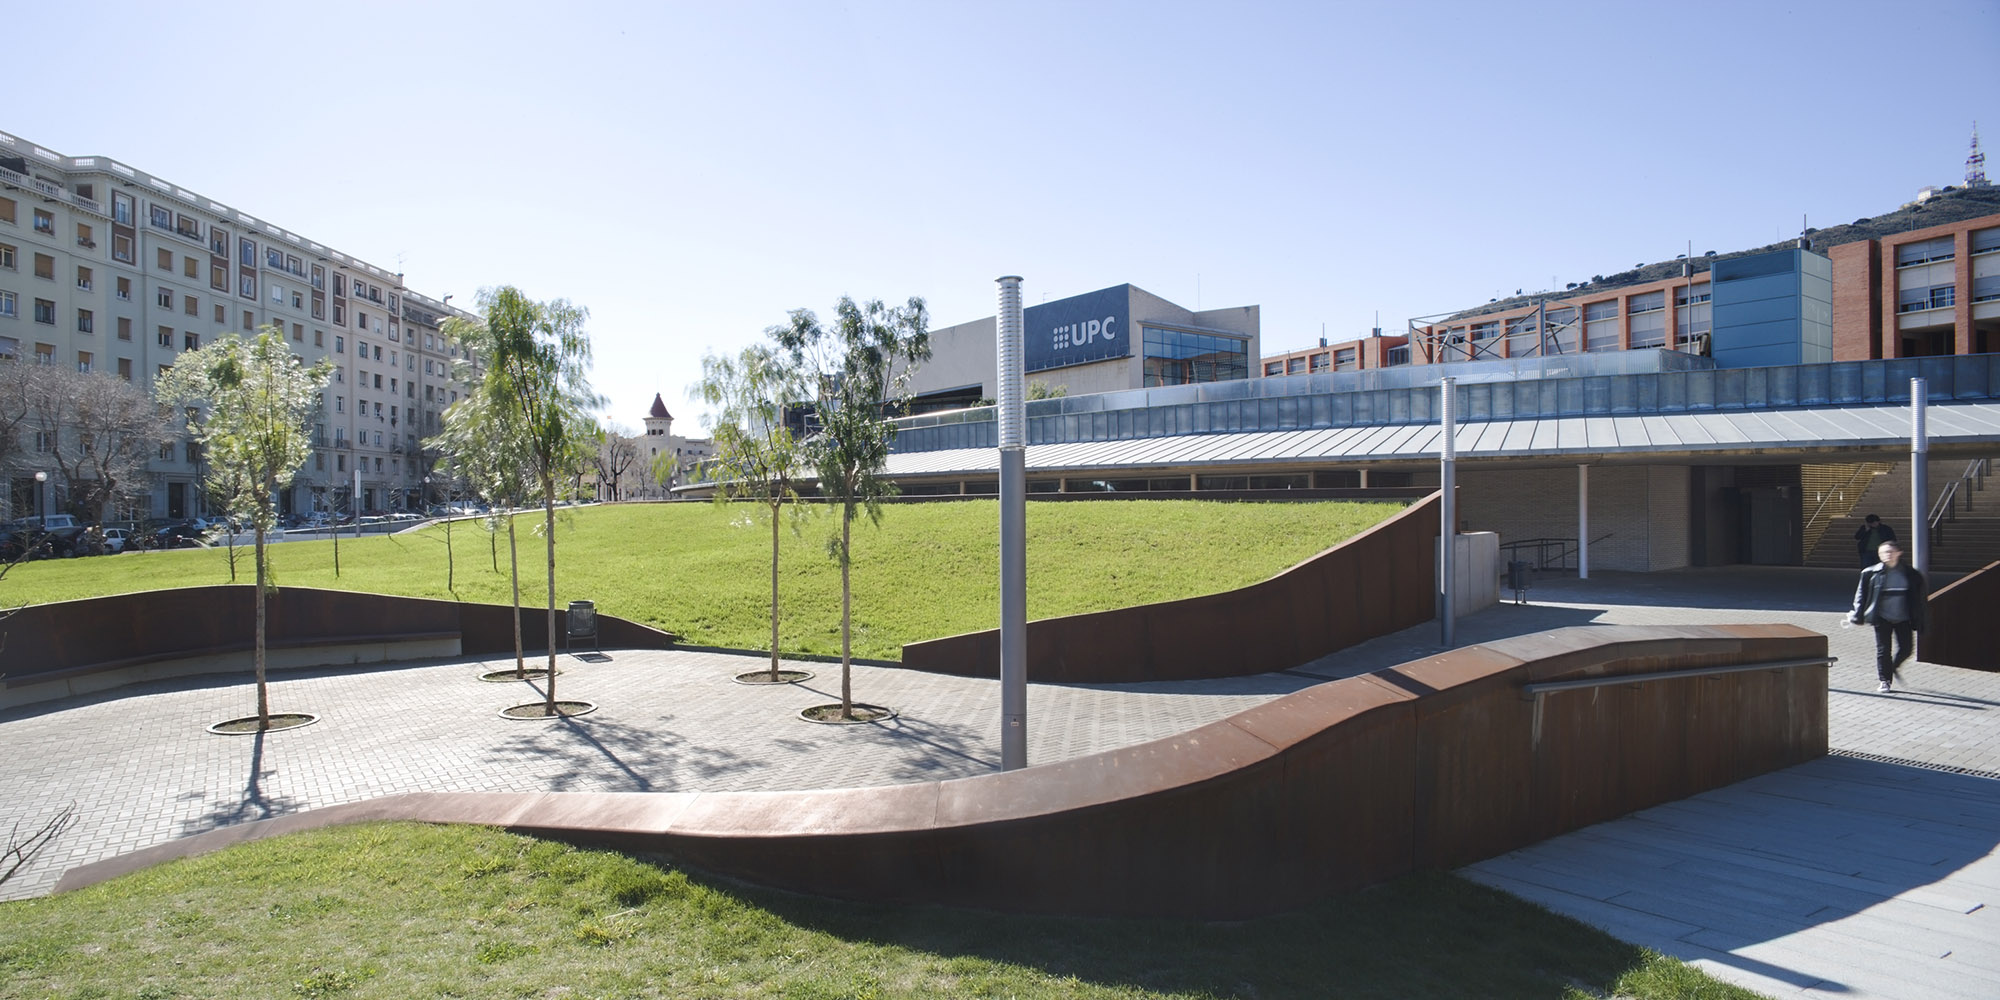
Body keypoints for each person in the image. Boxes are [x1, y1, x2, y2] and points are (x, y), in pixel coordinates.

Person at [1849, 540, 1926, 693]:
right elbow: (1861, 595)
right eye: (1883, 552)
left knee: (1906, 649)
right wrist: (1858, 614)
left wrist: (1921, 616)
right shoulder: (1870, 573)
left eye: (1890, 552)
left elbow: (1920, 598)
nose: (1887, 555)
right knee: (1883, 650)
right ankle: (1885, 680)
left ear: (1899, 553)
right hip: (1881, 617)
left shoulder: (1911, 574)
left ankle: (1892, 667)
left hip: (1903, 617)